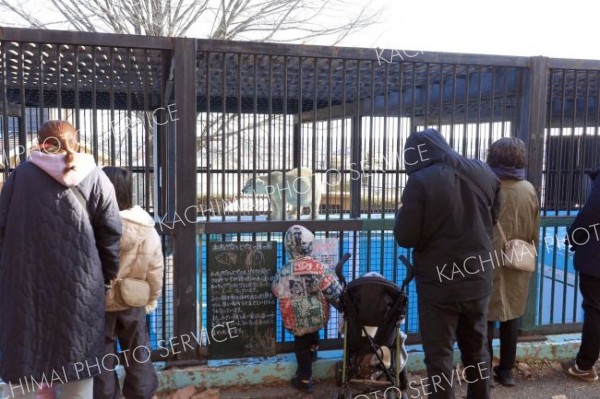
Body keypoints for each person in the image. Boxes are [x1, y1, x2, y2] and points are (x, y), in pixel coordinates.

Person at [0, 120, 122, 398]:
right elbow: (112, 234)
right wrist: (104, 280)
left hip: (24, 287)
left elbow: (2, 229)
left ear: (40, 144)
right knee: (77, 369)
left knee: (25, 364)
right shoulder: (97, 178)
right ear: (76, 142)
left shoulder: (20, 177)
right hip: (81, 289)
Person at [394, 128, 500, 399]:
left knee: (440, 356)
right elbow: (494, 219)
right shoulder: (484, 171)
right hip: (478, 280)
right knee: (477, 349)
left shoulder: (420, 181)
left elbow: (406, 236)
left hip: (439, 286)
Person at [94, 167, 164, 399]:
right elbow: (155, 269)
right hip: (132, 301)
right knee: (138, 353)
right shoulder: (146, 227)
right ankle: (143, 395)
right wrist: (152, 300)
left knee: (101, 358)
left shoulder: (92, 224)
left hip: (98, 303)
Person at [485, 137, 539, 386]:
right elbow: (534, 232)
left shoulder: (487, 186)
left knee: (484, 316)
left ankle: (482, 371)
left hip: (487, 261)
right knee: (512, 315)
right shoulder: (529, 189)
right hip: (518, 261)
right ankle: (506, 371)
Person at [272, 225, 343, 393]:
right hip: (318, 317)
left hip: (296, 321)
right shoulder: (319, 267)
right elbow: (333, 290)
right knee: (313, 336)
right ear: (310, 245)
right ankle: (313, 351)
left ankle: (304, 378)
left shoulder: (284, 271)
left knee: (301, 346)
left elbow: (276, 289)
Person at [561, 168, 600, 382]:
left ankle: (585, 365)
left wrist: (572, 237)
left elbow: (591, 213)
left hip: (596, 257)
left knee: (594, 309)